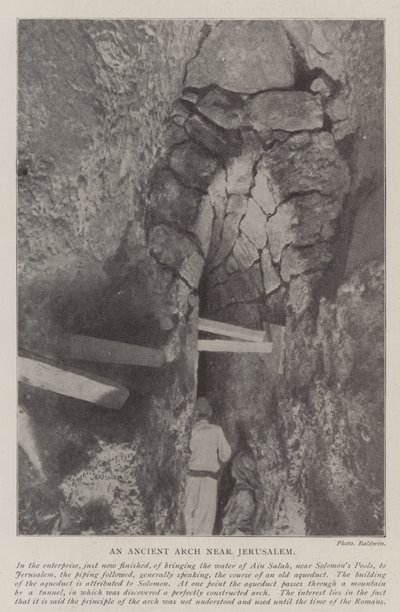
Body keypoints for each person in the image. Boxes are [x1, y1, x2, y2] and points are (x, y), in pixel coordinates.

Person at [184, 397, 231, 536]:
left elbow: (185, 451)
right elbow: (226, 455)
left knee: (189, 511)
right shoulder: (216, 430)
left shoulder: (191, 430)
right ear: (209, 413)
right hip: (209, 479)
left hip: (192, 476)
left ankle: (188, 541)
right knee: (205, 517)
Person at [221, 450, 260, 535]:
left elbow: (244, 518)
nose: (231, 468)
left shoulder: (245, 493)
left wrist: (231, 525)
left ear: (238, 470)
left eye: (233, 466)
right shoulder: (239, 490)